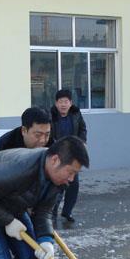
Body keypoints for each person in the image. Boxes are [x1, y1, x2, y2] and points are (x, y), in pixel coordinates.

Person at [0, 107, 52, 259]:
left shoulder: (51, 146)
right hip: (3, 206)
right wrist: (23, 204)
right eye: (37, 135)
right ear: (24, 130)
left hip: (34, 203)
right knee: (16, 257)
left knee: (40, 248)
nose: (43, 140)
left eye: (47, 134)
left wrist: (41, 208)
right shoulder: (5, 146)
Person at [50, 89, 88, 222]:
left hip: (73, 154)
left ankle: (67, 212)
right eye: (61, 102)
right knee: (57, 185)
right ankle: (52, 212)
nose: (63, 105)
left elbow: (83, 129)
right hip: (57, 154)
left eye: (66, 102)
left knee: (73, 184)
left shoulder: (76, 114)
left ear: (70, 103)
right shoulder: (51, 115)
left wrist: (81, 142)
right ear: (56, 103)